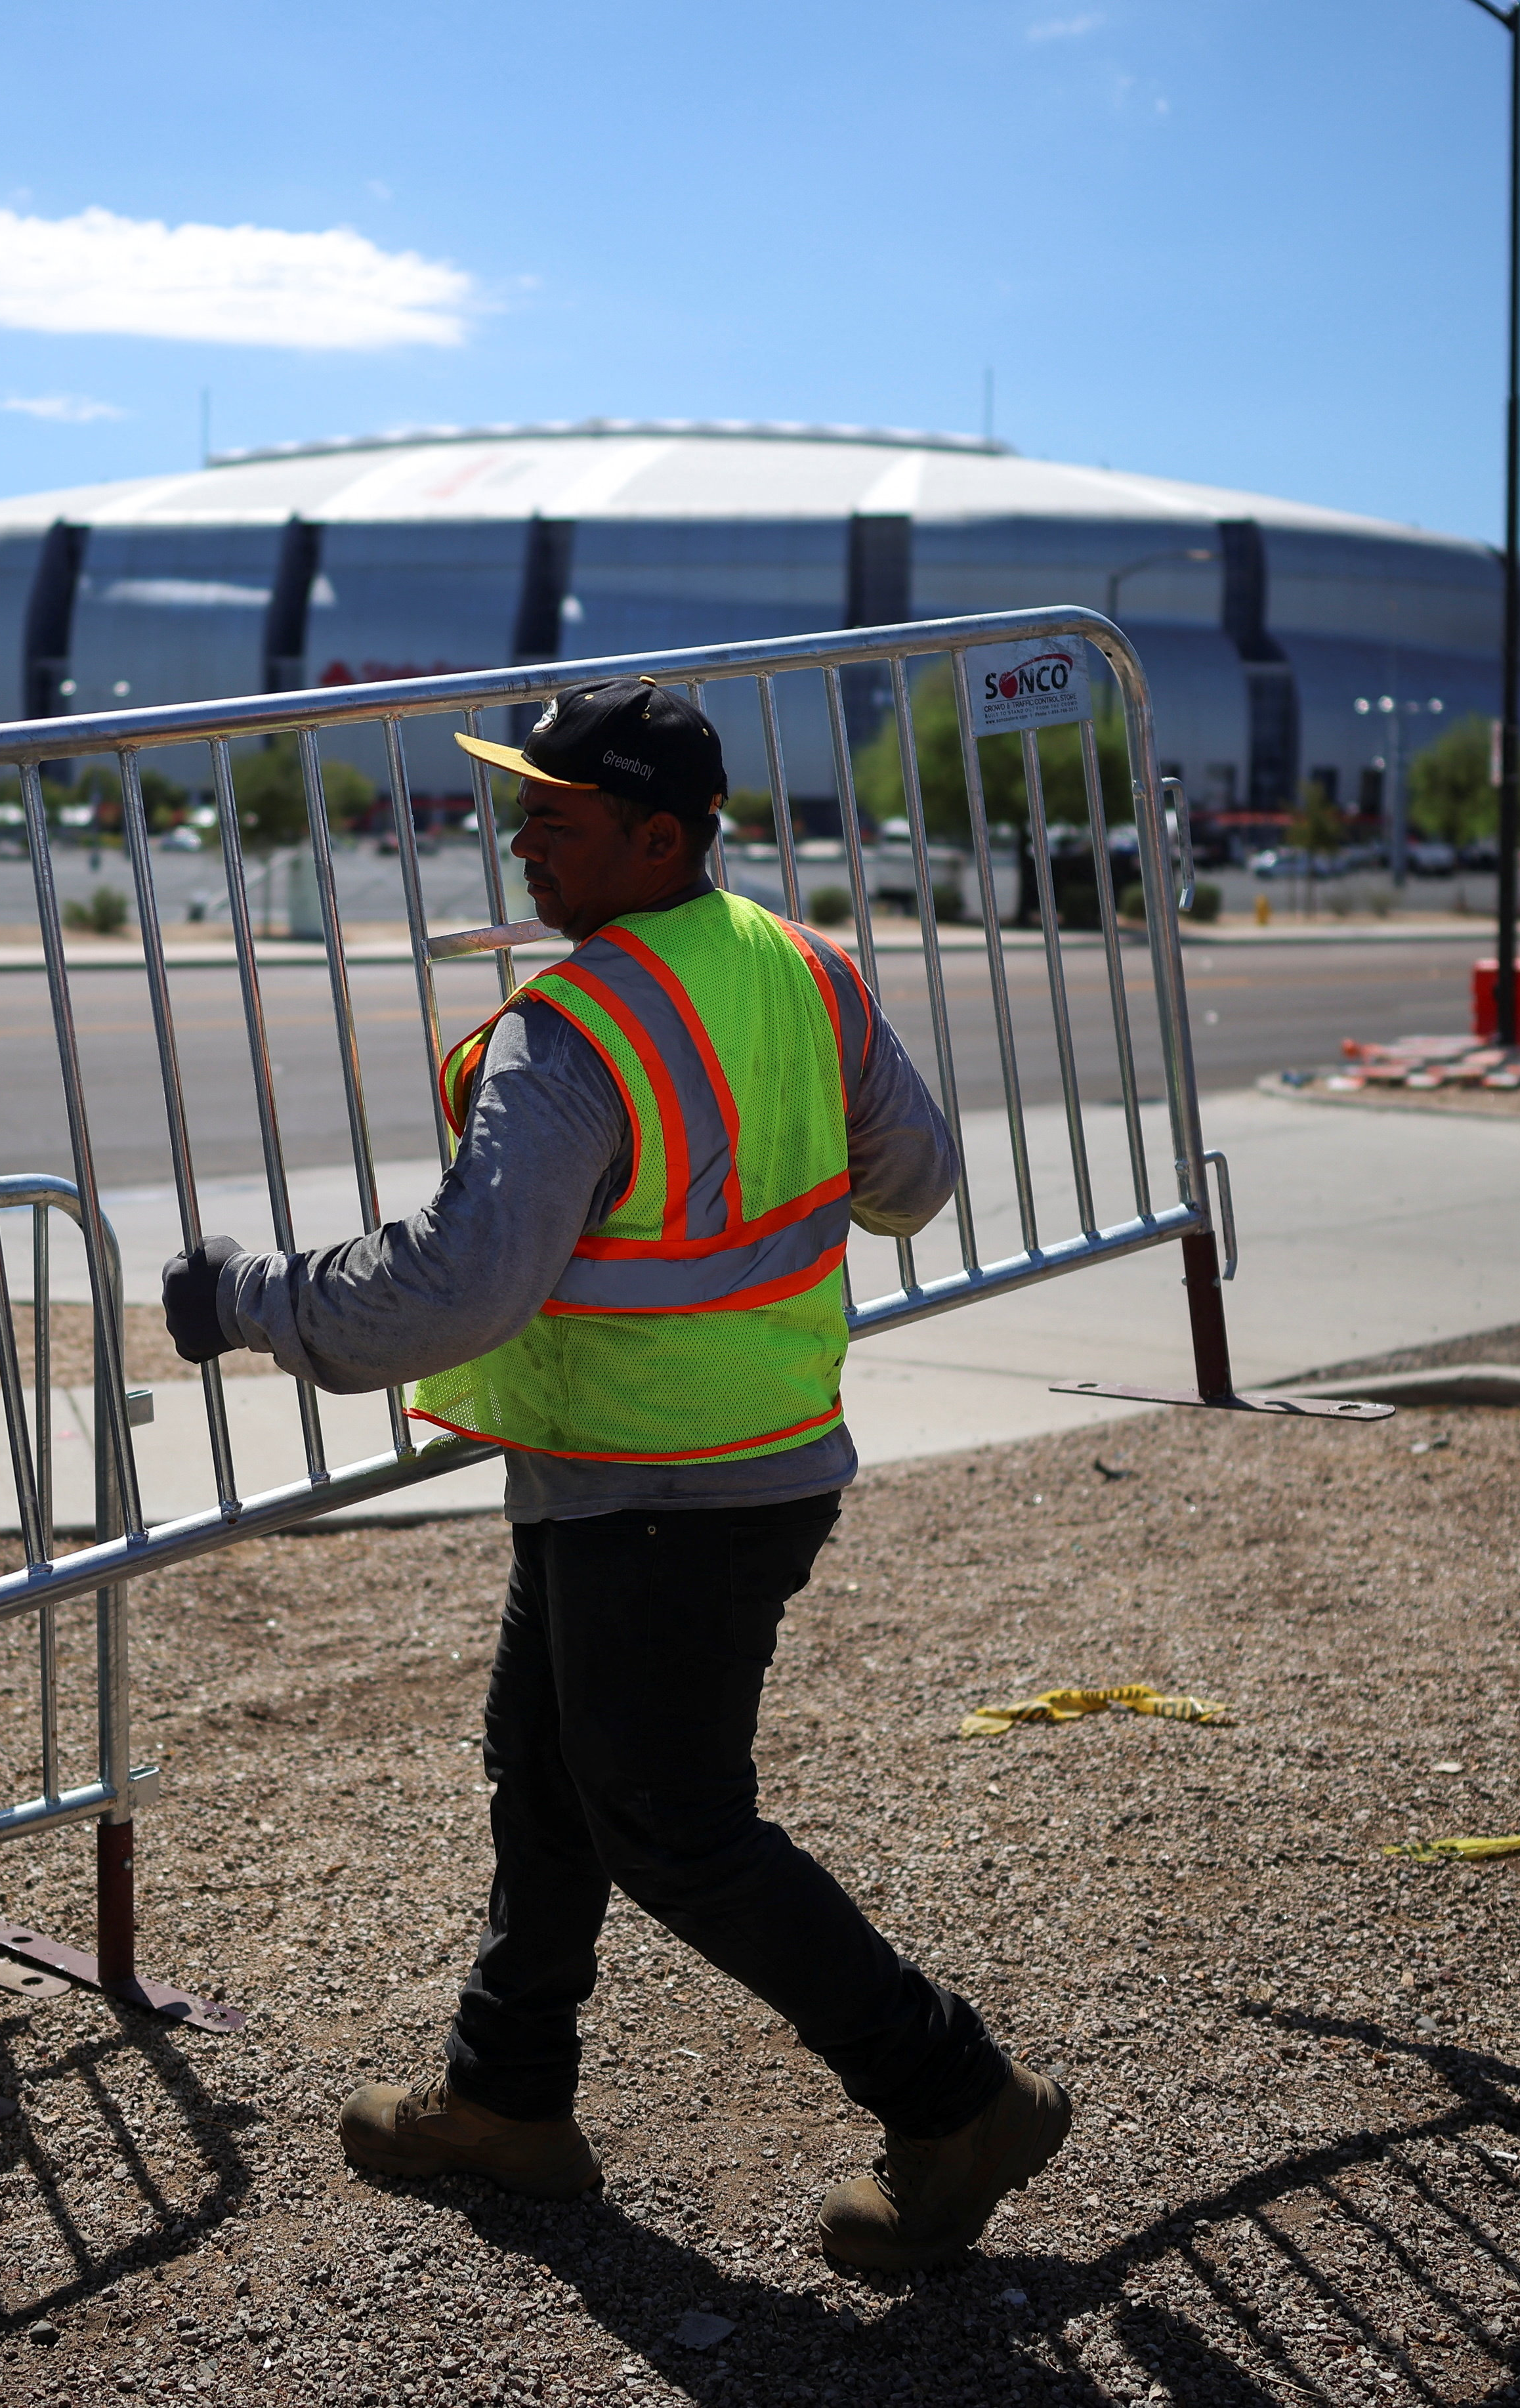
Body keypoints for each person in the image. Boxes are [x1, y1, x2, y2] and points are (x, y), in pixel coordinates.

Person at [159, 677, 1070, 2273]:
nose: (520, 844)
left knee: (671, 1825)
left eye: (553, 820)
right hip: (734, 1461)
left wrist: (247, 1296)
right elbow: (912, 1184)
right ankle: (505, 2098)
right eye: (518, 811)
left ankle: (956, 2094)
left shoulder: (574, 1026)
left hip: (658, 1487)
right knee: (547, 1771)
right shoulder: (802, 968)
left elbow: (454, 1288)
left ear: (656, 837)